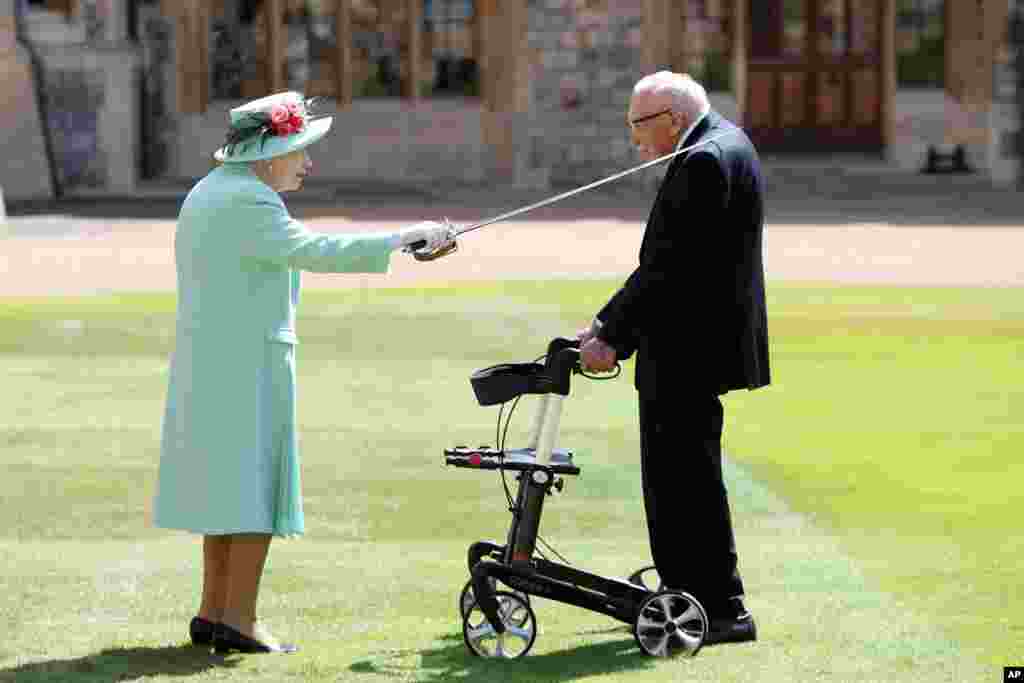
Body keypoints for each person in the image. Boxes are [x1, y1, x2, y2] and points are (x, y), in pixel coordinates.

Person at [152, 91, 455, 654]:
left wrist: (401, 242)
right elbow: (314, 250)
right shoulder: (248, 200)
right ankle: (239, 620)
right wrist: (401, 237)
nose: (307, 162)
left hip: (215, 363)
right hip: (247, 365)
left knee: (227, 492)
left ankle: (214, 613)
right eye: (299, 150)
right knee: (255, 491)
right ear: (268, 154)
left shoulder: (212, 191)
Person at [578, 71, 770, 645]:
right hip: (695, 344)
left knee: (680, 483)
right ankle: (696, 592)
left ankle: (715, 605)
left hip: (686, 350)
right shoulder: (725, 142)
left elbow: (668, 269)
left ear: (673, 119)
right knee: (688, 478)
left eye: (639, 125)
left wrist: (609, 330)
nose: (634, 138)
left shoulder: (703, 161)